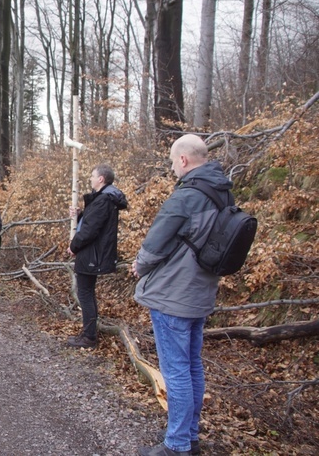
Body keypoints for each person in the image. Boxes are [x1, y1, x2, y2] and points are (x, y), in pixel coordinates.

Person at [132, 134, 232, 456]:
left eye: (174, 161)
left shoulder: (186, 196)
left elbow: (154, 243)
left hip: (174, 295)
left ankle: (176, 446)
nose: (173, 167)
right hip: (201, 292)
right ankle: (189, 437)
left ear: (184, 160)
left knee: (176, 371)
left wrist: (139, 266)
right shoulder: (223, 193)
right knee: (192, 367)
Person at [66, 164, 128, 349]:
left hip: (91, 253)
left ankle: (89, 337)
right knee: (87, 292)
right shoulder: (104, 199)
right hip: (92, 252)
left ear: (101, 179)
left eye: (93, 176)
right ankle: (89, 333)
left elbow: (90, 230)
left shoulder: (103, 200)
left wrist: (74, 246)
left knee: (85, 293)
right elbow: (91, 221)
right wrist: (79, 215)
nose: (91, 179)